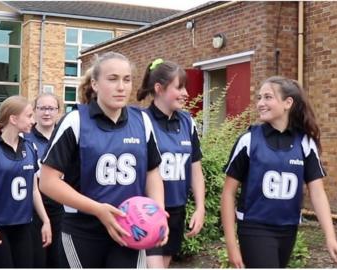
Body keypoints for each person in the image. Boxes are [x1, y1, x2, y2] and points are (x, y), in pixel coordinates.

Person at [39, 51, 168, 268]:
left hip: (130, 230)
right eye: (112, 79)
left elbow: (152, 172)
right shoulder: (75, 121)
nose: (121, 87)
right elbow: (47, 182)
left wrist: (157, 213)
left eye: (126, 80)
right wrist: (98, 209)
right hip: (83, 231)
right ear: (95, 84)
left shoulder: (142, 121)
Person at [221, 76, 337, 268]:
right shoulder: (248, 140)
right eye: (259, 98)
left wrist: (330, 237)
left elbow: (317, 193)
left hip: (288, 229)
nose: (260, 103)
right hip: (255, 227)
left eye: (268, 97)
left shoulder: (305, 144)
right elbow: (228, 193)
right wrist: (231, 244)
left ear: (288, 103)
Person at [137, 59, 205, 268]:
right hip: (147, 212)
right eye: (179, 87)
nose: (186, 93)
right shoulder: (140, 121)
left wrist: (200, 208)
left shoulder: (187, 122)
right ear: (159, 89)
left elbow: (195, 168)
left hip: (177, 211)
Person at [0, 95, 52, 268]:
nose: (33, 121)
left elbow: (33, 190)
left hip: (24, 226)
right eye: (29, 115)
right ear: (13, 119)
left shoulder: (30, 148)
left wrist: (46, 220)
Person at [24, 92, 63, 268]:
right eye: (42, 108)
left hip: (61, 209)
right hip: (32, 210)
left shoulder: (65, 137)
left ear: (58, 111)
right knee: (36, 260)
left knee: (58, 260)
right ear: (34, 111)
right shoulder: (24, 138)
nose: (46, 113)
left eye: (51, 108)